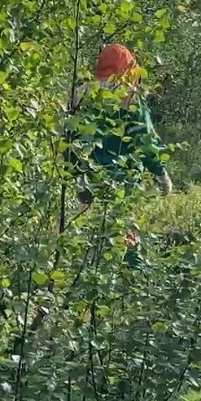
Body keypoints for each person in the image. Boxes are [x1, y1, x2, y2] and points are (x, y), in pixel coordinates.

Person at [67, 44, 173, 262]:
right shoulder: (129, 97)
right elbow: (144, 140)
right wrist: (162, 174)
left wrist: (76, 177)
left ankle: (87, 284)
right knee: (126, 237)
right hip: (122, 183)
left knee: (91, 239)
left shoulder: (81, 95)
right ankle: (131, 284)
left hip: (88, 181)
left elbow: (68, 140)